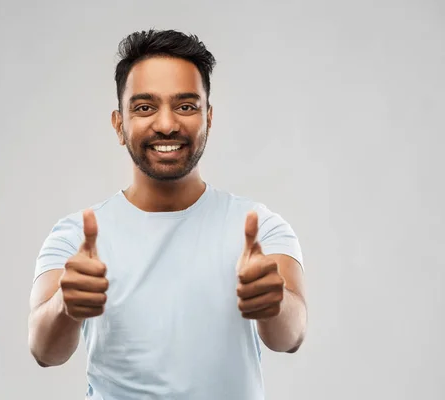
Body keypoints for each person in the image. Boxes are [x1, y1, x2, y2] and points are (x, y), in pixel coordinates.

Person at [28, 29, 307, 400]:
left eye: (186, 106)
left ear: (208, 118)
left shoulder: (258, 228)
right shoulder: (74, 236)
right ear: (118, 124)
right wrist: (66, 305)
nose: (166, 124)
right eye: (145, 107)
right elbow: (44, 351)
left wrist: (274, 302)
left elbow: (290, 336)